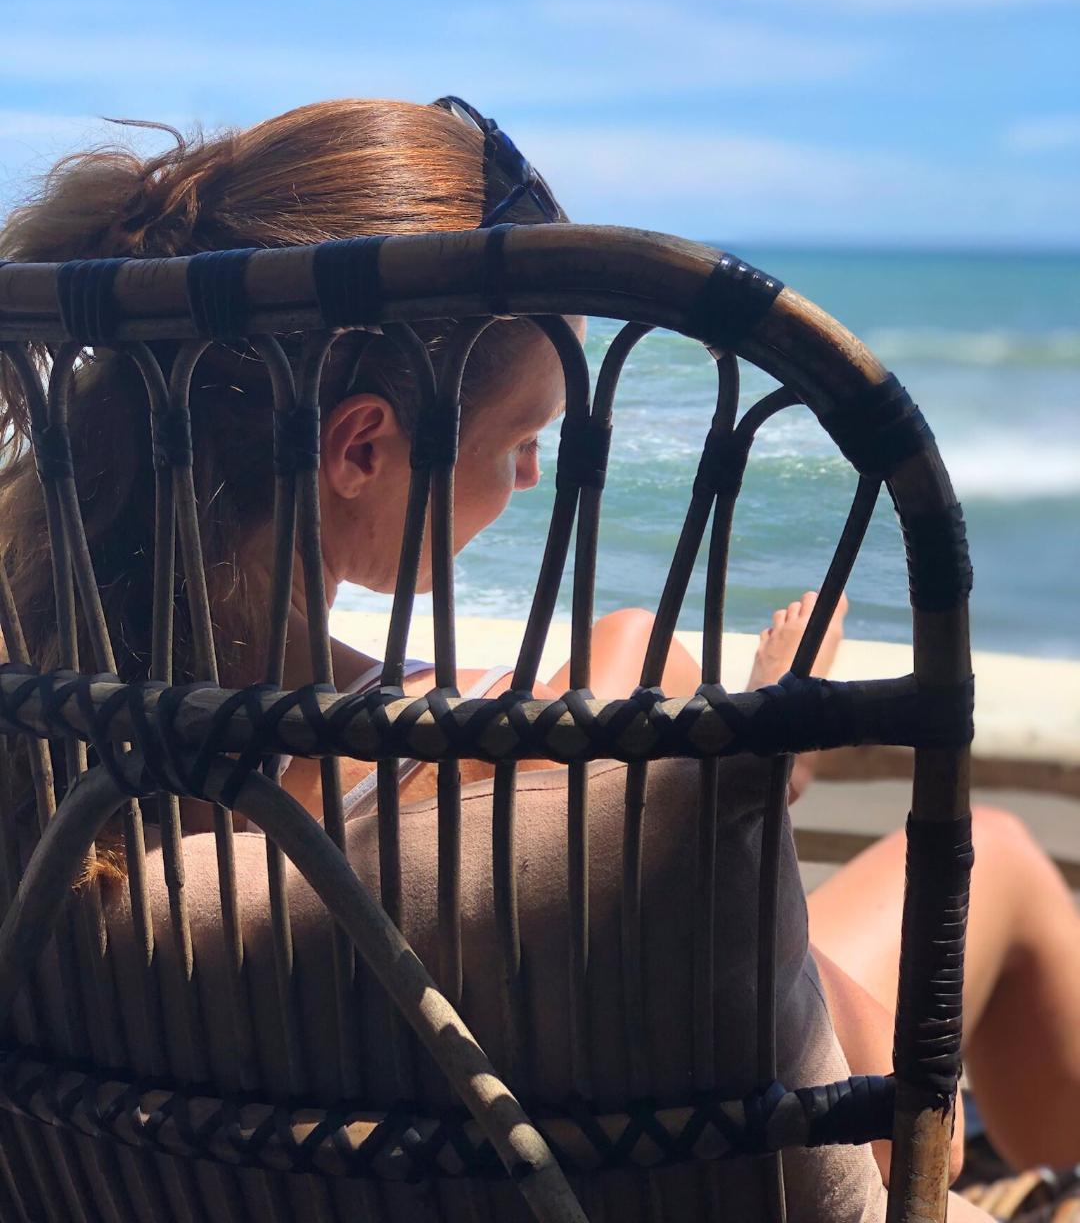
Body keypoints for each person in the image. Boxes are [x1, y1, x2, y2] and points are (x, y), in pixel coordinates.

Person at [2, 97, 1060, 1219]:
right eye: (521, 440)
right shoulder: (500, 810)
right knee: (993, 850)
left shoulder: (53, 740)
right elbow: (897, 1121)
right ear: (360, 447)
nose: (528, 480)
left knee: (627, 651)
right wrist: (755, 776)